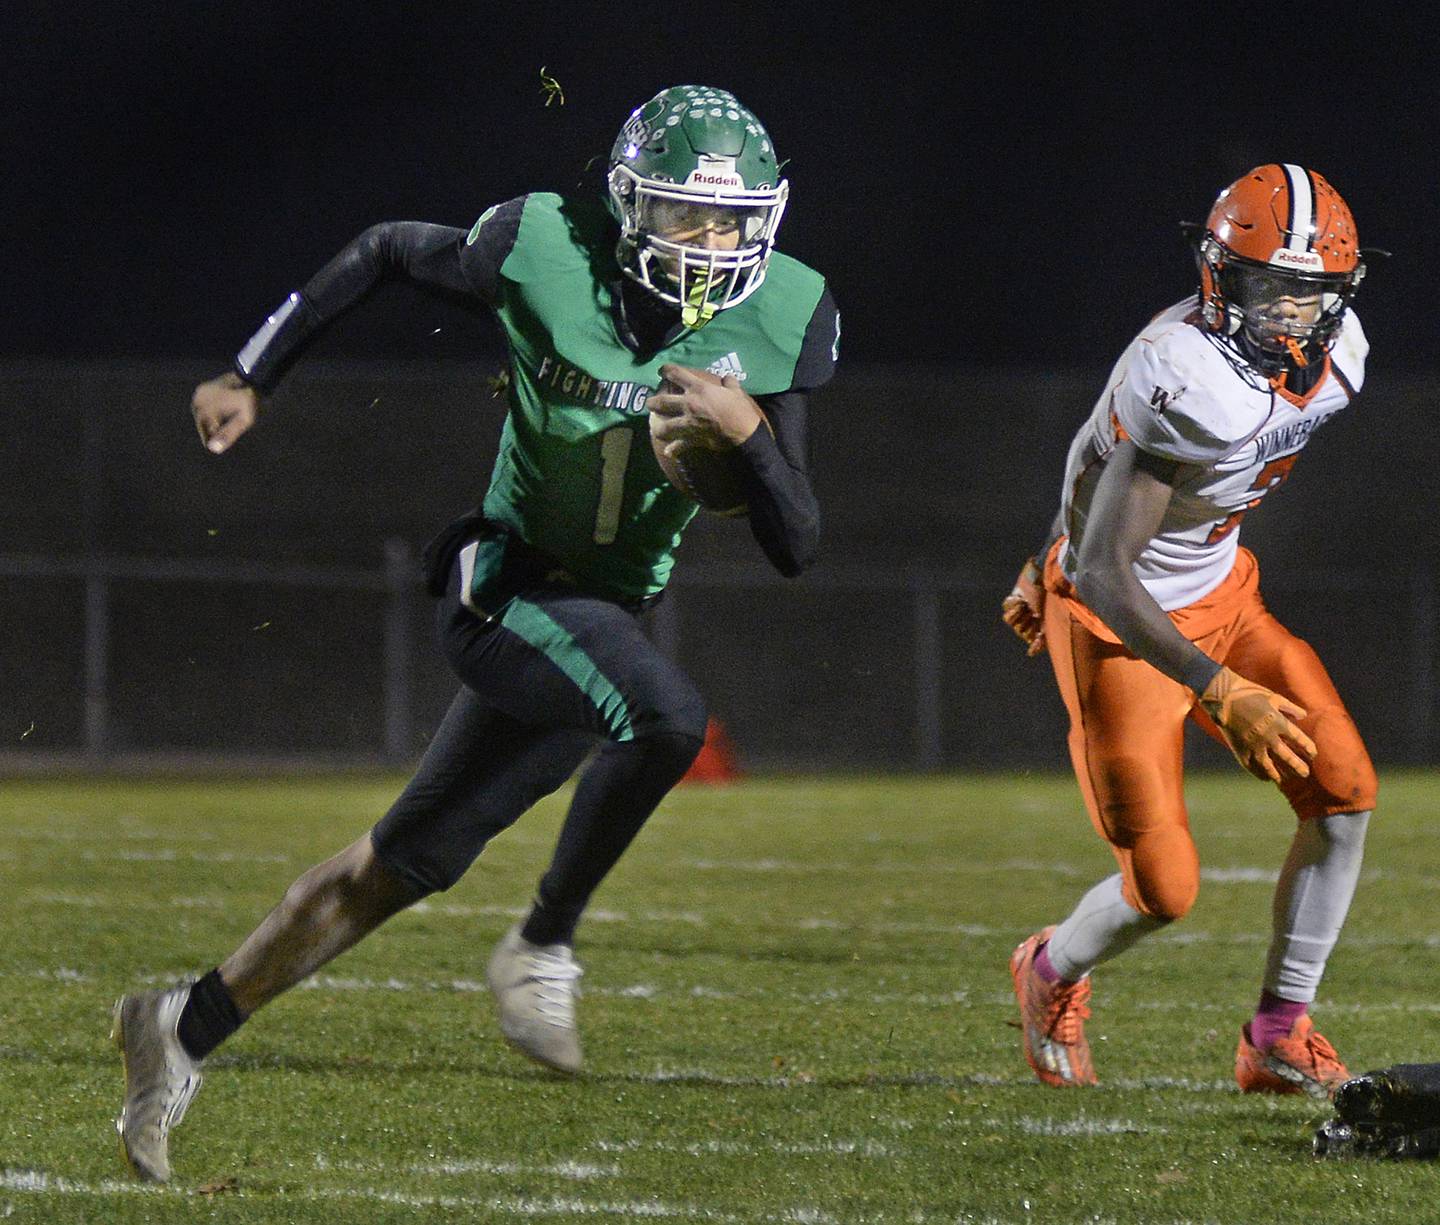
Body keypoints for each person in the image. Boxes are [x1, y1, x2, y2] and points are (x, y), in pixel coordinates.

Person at [111, 84, 839, 1182]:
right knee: (668, 716)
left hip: (595, 625)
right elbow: (387, 250)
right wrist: (253, 371)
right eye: (685, 217)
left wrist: (751, 437)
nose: (707, 246)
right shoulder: (543, 245)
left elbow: (798, 541)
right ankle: (544, 941)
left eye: (729, 224)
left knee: (397, 864)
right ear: (628, 205)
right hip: (502, 583)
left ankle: (179, 1027)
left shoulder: (781, 316)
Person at [1001, 164, 1377, 1098]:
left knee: (1345, 794)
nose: (1289, 309)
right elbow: (1101, 568)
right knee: (1163, 886)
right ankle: (1048, 968)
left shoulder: (1341, 360)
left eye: (1310, 289)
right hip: (1117, 622)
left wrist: (1046, 536)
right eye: (1267, 285)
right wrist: (1220, 685)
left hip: (1224, 594)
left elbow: (1089, 450)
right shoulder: (1187, 375)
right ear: (1219, 276)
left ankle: (1278, 1032)